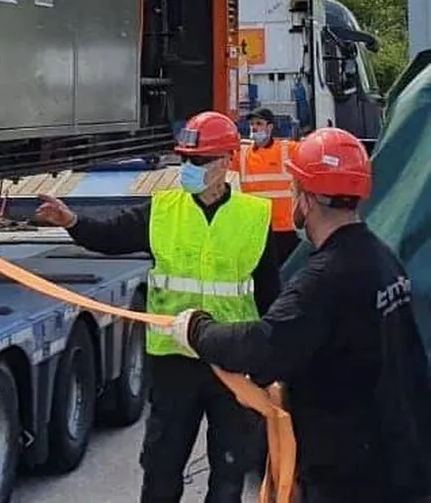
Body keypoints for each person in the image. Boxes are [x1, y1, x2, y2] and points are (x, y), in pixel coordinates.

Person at [172, 127, 431, 502]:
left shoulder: (324, 279)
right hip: (402, 461)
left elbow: (263, 347)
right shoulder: (381, 257)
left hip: (354, 478)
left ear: (306, 199)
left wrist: (197, 329)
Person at [35, 110, 282, 502]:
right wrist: (72, 220)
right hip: (174, 361)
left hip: (233, 364)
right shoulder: (164, 210)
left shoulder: (254, 218)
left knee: (229, 476)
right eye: (185, 159)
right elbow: (113, 233)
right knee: (162, 471)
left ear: (226, 162)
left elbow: (270, 296)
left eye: (198, 161)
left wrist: (270, 369)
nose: (189, 167)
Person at [239, 106, 298, 265]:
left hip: (286, 231)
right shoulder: (243, 154)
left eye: (259, 123)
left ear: (270, 127)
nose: (254, 127)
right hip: (258, 230)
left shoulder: (288, 149)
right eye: (252, 124)